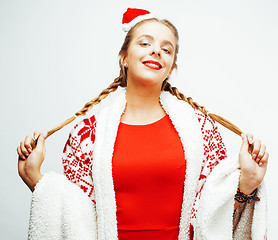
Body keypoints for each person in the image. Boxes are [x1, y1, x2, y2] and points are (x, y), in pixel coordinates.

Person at [17, 8, 268, 240]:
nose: (156, 51)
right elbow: (76, 218)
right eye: (145, 43)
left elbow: (211, 214)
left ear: (170, 68)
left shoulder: (202, 130)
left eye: (166, 49)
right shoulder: (88, 134)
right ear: (124, 58)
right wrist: (35, 179)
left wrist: (247, 182)